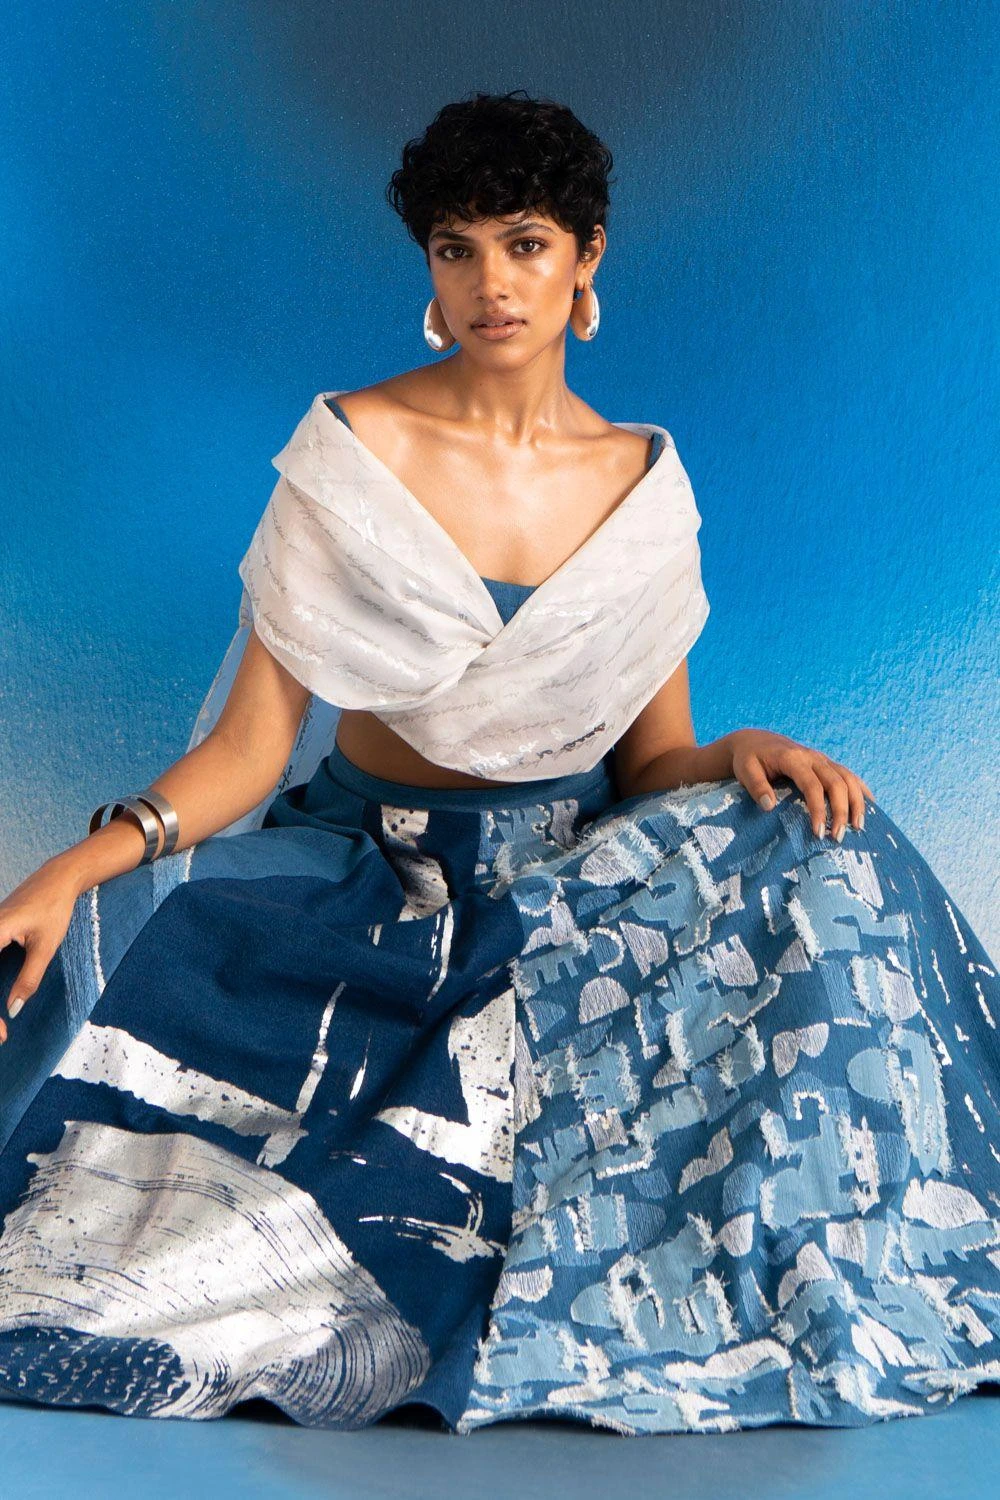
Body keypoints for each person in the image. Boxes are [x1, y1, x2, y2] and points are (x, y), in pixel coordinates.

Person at [0, 89, 997, 1437]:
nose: (491, 284)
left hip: (570, 884)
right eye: (456, 248)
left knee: (834, 850)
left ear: (586, 259)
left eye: (525, 244)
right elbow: (247, 750)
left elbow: (654, 763)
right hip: (368, 876)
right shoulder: (352, 454)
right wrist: (78, 864)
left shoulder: (642, 484)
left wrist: (736, 753)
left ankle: (872, 1237)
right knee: (122, 958)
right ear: (429, 267)